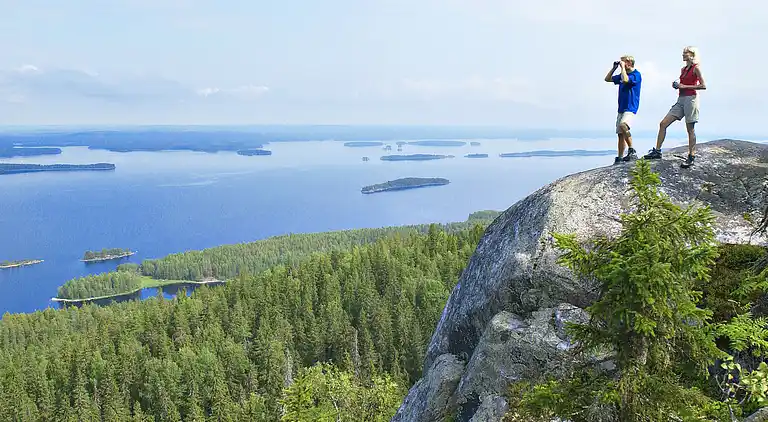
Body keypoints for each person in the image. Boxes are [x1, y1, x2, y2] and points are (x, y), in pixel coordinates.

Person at [644, 46, 707, 168]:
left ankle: (691, 156)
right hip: (681, 99)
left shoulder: (696, 68)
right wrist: (677, 85)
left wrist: (684, 86)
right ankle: (657, 151)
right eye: (683, 53)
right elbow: (682, 84)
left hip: (691, 99)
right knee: (663, 123)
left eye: (686, 53)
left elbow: (703, 86)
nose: (683, 55)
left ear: (692, 55)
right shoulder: (683, 69)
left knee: (690, 129)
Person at [605, 55, 642, 165]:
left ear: (629, 63)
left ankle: (632, 150)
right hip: (621, 107)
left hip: (630, 107)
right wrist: (614, 68)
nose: (622, 63)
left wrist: (622, 69)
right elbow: (607, 79)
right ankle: (620, 157)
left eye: (624, 62)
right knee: (620, 134)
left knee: (623, 125)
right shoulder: (622, 73)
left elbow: (626, 80)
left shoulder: (636, 75)